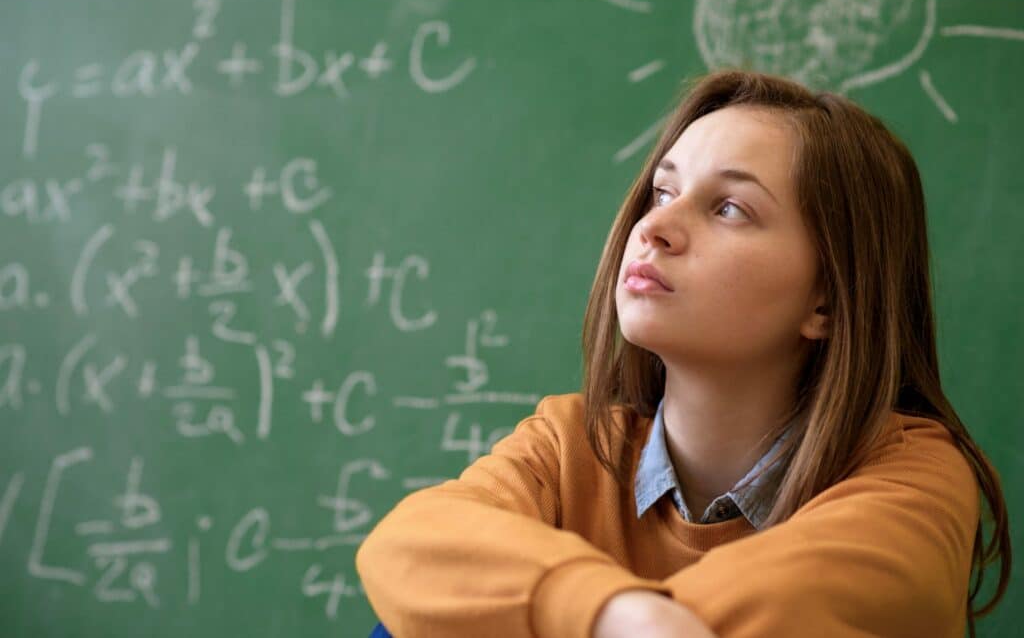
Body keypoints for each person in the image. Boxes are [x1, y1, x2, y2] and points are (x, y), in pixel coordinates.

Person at [355, 69, 1011, 638]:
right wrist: (608, 615)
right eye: (663, 192)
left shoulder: (912, 480)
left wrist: (554, 612)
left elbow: (772, 611)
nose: (654, 228)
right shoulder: (572, 445)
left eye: (729, 208)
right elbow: (407, 547)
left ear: (828, 303)